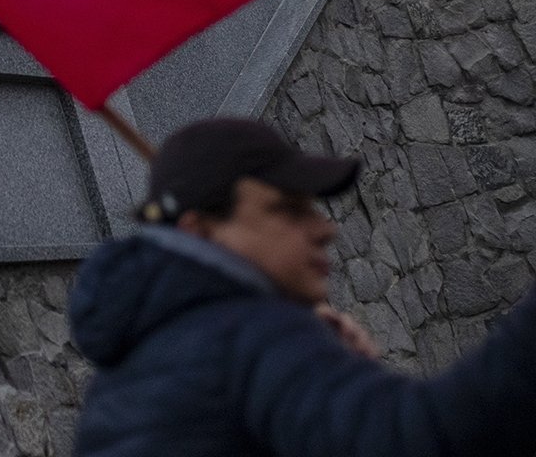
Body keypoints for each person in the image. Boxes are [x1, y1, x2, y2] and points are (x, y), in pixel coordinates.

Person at [70, 118, 536, 457]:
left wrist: (336, 378)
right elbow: (424, 440)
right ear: (200, 230)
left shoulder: (123, 375)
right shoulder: (252, 336)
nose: (324, 228)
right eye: (288, 210)